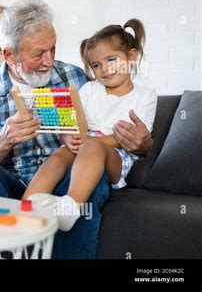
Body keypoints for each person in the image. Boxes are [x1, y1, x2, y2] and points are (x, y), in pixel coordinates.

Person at [0, 0, 154, 259]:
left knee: (89, 175)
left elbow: (103, 123)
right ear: (9, 54)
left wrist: (144, 143)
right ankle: (11, 242)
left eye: (53, 49)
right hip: (15, 186)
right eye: (39, 53)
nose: (49, 61)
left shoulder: (75, 78)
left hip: (67, 183)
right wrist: (3, 142)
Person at [23, 19, 157, 232]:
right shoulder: (89, 89)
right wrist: (68, 137)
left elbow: (126, 138)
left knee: (92, 147)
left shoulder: (145, 95)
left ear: (131, 57)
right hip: (84, 144)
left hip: (115, 154)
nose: (103, 69)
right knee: (56, 157)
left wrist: (89, 141)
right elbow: (73, 123)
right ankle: (25, 210)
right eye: (96, 65)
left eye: (111, 60)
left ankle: (71, 206)